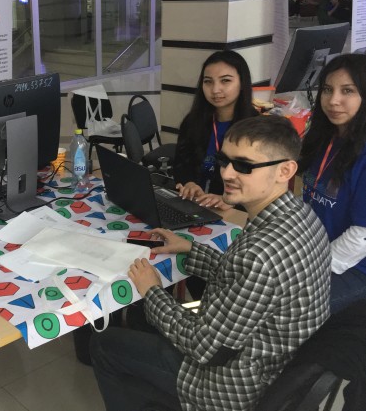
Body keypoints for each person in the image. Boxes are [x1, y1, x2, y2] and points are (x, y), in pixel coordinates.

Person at [90, 115, 331, 411]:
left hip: (229, 386)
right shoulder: (299, 215)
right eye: (224, 161)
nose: (227, 173)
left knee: (103, 344)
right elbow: (243, 280)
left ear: (285, 170)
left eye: (244, 166)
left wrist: (151, 291)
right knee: (146, 322)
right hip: (270, 359)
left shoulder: (260, 254)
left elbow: (204, 348)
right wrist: (191, 250)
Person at [300, 54, 366, 314]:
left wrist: (308, 270)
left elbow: (361, 236)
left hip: (353, 266)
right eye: (327, 89)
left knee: (289, 308)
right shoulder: (323, 138)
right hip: (314, 252)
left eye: (347, 91)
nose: (333, 100)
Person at [174, 50, 257, 210]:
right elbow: (181, 162)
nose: (215, 89)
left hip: (235, 211)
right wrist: (189, 183)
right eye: (208, 82)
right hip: (196, 204)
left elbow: (260, 182)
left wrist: (231, 200)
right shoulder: (193, 121)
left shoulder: (255, 128)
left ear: (242, 83)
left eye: (225, 81)